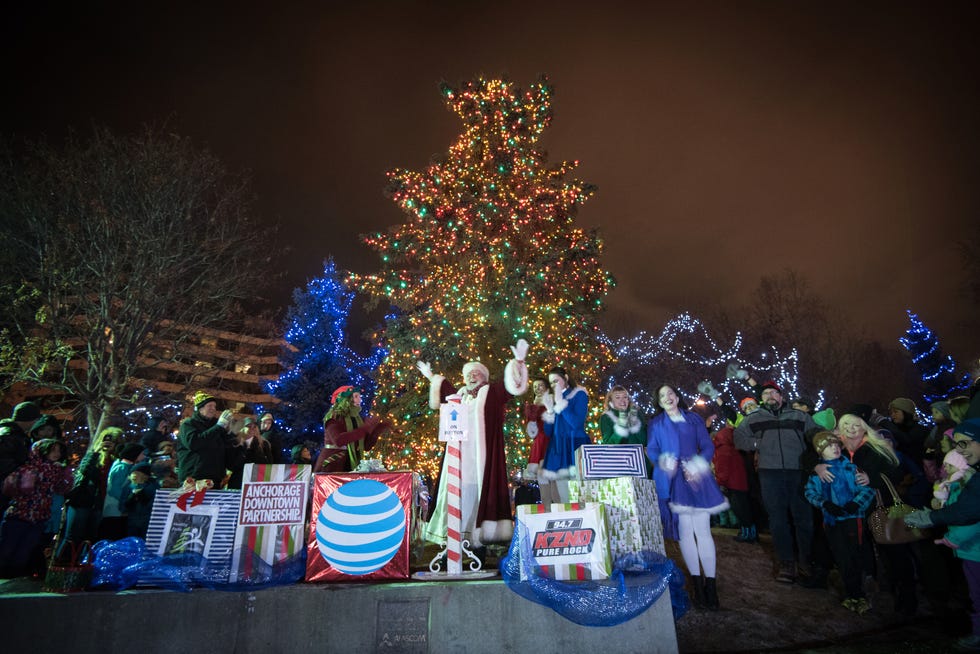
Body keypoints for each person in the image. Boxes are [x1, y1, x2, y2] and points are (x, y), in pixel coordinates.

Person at [417, 339, 528, 551]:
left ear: (484, 377)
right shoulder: (457, 396)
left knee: (478, 496)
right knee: (455, 495)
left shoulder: (492, 393)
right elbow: (443, 387)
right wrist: (431, 376)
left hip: (481, 459)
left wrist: (519, 363)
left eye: (476, 373)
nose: (471, 376)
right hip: (457, 459)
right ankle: (451, 546)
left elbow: (511, 387)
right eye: (468, 374)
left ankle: (478, 547)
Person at [647, 384, 729, 610]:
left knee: (702, 531)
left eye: (671, 393)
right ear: (659, 401)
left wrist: (697, 465)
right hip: (673, 481)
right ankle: (697, 584)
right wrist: (663, 460)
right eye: (662, 395)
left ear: (677, 395)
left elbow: (707, 446)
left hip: (695, 479)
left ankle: (710, 584)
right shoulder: (655, 423)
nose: (668, 397)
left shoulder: (694, 419)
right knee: (684, 533)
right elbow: (652, 450)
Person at [831, 413, 918, 616]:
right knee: (865, 554)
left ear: (864, 427)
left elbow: (897, 472)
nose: (851, 428)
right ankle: (872, 592)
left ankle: (907, 597)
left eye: (856, 424)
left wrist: (872, 478)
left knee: (895, 554)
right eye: (846, 425)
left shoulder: (874, 447)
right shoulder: (839, 451)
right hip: (854, 513)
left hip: (881, 509)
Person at [905, 418, 980, 651]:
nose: (961, 450)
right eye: (957, 444)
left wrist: (932, 518)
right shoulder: (974, 474)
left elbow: (970, 509)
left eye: (965, 443)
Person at [734, 380, 818, 584]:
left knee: (804, 518)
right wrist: (758, 444)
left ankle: (806, 560)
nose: (770, 396)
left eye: (774, 392)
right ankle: (786, 563)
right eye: (766, 394)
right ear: (762, 399)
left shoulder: (800, 416)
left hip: (798, 472)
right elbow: (739, 437)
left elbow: (817, 435)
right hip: (769, 474)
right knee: (778, 520)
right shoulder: (754, 418)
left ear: (781, 396)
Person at [804, 431, 877, 614]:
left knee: (856, 554)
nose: (835, 448)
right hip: (833, 522)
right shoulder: (818, 473)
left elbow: (867, 490)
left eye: (836, 444)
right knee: (842, 557)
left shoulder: (851, 468)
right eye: (829, 446)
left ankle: (860, 593)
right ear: (820, 451)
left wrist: (856, 503)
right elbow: (810, 492)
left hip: (854, 520)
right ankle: (852, 593)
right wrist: (825, 503)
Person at [0, 439, 72, 578]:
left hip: (40, 516)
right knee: (7, 548)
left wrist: (66, 475)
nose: (56, 454)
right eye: (52, 450)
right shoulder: (28, 468)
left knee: (25, 549)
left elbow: (61, 489)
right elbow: (9, 488)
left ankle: (15, 576)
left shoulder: (56, 470)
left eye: (59, 451)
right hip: (19, 514)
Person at [540, 366, 590, 505]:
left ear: (566, 378)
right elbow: (549, 432)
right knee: (565, 500)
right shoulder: (554, 399)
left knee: (581, 496)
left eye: (556, 380)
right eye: (551, 383)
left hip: (575, 447)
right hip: (559, 451)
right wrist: (550, 411)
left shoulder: (579, 394)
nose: (553, 385)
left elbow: (576, 423)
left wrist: (561, 403)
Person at [64, 427, 121, 544]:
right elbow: (85, 470)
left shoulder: (116, 461)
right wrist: (96, 452)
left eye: (112, 442)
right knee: (74, 535)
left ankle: (83, 560)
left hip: (101, 504)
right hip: (83, 502)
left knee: (91, 537)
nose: (108, 444)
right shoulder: (92, 456)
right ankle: (64, 559)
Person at [314, 386, 389, 473]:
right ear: (346, 399)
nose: (360, 400)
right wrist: (365, 428)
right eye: (356, 396)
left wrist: (378, 429)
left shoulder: (357, 419)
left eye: (359, 397)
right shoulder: (334, 417)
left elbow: (366, 446)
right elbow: (339, 440)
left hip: (351, 466)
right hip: (333, 466)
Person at [713, 406, 757, 543]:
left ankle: (747, 533)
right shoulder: (737, 447)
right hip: (742, 482)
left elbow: (722, 468)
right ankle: (751, 532)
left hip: (731, 483)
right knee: (745, 508)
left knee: (739, 509)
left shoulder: (723, 449)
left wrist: (720, 481)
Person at [176, 392, 237, 487]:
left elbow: (227, 448)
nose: (213, 409)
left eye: (214, 406)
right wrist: (219, 426)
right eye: (210, 406)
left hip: (215, 479)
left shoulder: (217, 426)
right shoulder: (189, 424)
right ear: (200, 408)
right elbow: (194, 443)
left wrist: (230, 433)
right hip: (194, 479)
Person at [0, 402, 41, 516]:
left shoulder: (15, 434)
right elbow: (4, 461)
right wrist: (21, 473)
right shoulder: (10, 435)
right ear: (31, 419)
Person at [100, 442, 145, 540]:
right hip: (114, 511)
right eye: (142, 454)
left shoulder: (127, 467)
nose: (143, 456)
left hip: (120, 511)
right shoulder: (121, 468)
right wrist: (126, 501)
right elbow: (114, 489)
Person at [600, 385, 650, 476]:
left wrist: (635, 424)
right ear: (611, 401)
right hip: (620, 465)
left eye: (625, 397)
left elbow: (645, 441)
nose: (622, 400)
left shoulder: (637, 414)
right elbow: (608, 445)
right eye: (617, 397)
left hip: (641, 464)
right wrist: (621, 428)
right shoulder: (606, 418)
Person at [227, 417, 274, 489]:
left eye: (254, 427)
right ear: (242, 428)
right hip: (238, 482)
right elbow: (231, 465)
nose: (252, 429)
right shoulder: (235, 443)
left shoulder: (264, 444)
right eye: (248, 426)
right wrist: (244, 449)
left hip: (256, 483)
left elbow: (268, 464)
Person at [523, 377, 551, 480]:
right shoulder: (533, 406)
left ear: (546, 388)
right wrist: (531, 419)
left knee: (550, 475)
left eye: (540, 385)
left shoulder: (552, 402)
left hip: (550, 440)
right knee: (541, 477)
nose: (537, 388)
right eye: (535, 386)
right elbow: (532, 433)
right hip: (539, 441)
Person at [125, 461, 159, 539]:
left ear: (145, 476)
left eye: (137, 473)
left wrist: (142, 495)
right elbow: (123, 505)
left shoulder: (153, 487)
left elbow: (152, 506)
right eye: (133, 473)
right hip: (132, 523)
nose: (134, 475)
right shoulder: (130, 487)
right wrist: (132, 496)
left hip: (146, 524)